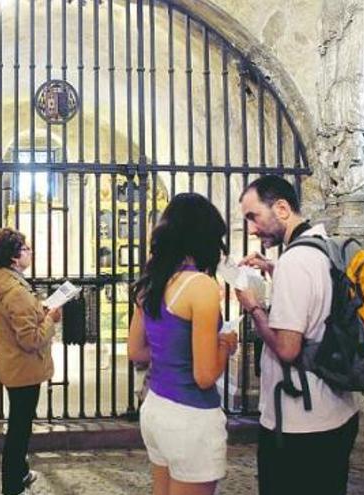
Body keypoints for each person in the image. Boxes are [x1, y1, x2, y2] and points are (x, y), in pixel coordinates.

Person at [235, 175, 359, 495]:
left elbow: (288, 349)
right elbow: (320, 298)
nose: (251, 228)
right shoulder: (322, 246)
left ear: (281, 208)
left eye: (253, 216)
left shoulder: (294, 261)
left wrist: (254, 309)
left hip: (301, 425)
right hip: (337, 411)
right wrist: (274, 269)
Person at [128, 192, 239, 495]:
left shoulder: (153, 280)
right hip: (191, 416)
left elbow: (135, 351)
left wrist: (176, 352)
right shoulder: (200, 285)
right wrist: (226, 344)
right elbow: (204, 376)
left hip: (156, 408)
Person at [0, 228, 62, 495]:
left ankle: (20, 472)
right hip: (24, 366)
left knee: (20, 422)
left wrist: (39, 312)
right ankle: (12, 484)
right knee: (19, 428)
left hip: (12, 363)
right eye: (26, 249)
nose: (30, 252)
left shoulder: (3, 283)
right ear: (14, 258)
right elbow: (31, 339)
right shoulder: (16, 291)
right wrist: (51, 319)